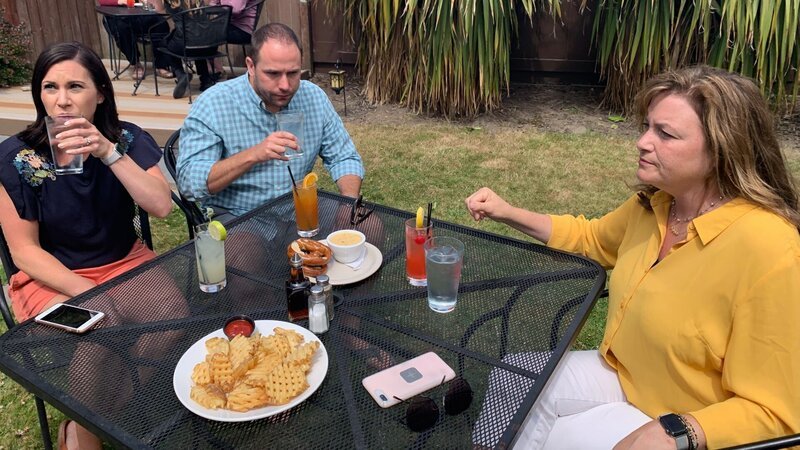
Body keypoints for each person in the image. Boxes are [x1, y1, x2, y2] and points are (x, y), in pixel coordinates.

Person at [465, 65, 800, 449]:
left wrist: (679, 431)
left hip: (694, 419)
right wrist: (507, 212)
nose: (642, 141)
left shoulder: (769, 247)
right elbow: (591, 238)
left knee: (564, 437)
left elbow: (775, 413)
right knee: (515, 376)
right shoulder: (656, 205)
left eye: (665, 134)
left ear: (721, 150)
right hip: (626, 375)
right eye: (646, 126)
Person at [0, 42, 174, 449]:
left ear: (100, 93)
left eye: (75, 86)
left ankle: (85, 422)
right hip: (50, 276)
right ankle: (87, 440)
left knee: (171, 319)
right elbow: (24, 252)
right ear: (38, 95)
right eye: (49, 87)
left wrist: (108, 153)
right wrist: (88, 293)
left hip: (123, 261)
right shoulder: (17, 157)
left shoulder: (127, 140)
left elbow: (162, 205)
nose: (61, 101)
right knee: (100, 323)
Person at [176, 22, 364, 218]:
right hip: (240, 215)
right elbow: (189, 182)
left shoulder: (313, 97)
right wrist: (253, 155)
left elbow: (344, 157)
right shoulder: (214, 103)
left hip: (298, 207)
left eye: (293, 73)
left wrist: (348, 203)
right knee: (244, 249)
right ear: (251, 66)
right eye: (273, 74)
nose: (285, 85)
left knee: (369, 227)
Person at [98, 0, 173, 80]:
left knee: (161, 24)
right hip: (116, 16)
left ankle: (161, 64)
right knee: (122, 29)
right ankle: (136, 63)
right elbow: (102, 1)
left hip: (136, 12)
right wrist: (120, 1)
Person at [161, 0, 220, 97]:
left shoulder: (171, 2)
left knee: (165, 45)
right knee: (197, 40)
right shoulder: (198, 1)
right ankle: (205, 79)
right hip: (210, 44)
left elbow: (159, 10)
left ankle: (181, 74)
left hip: (185, 45)